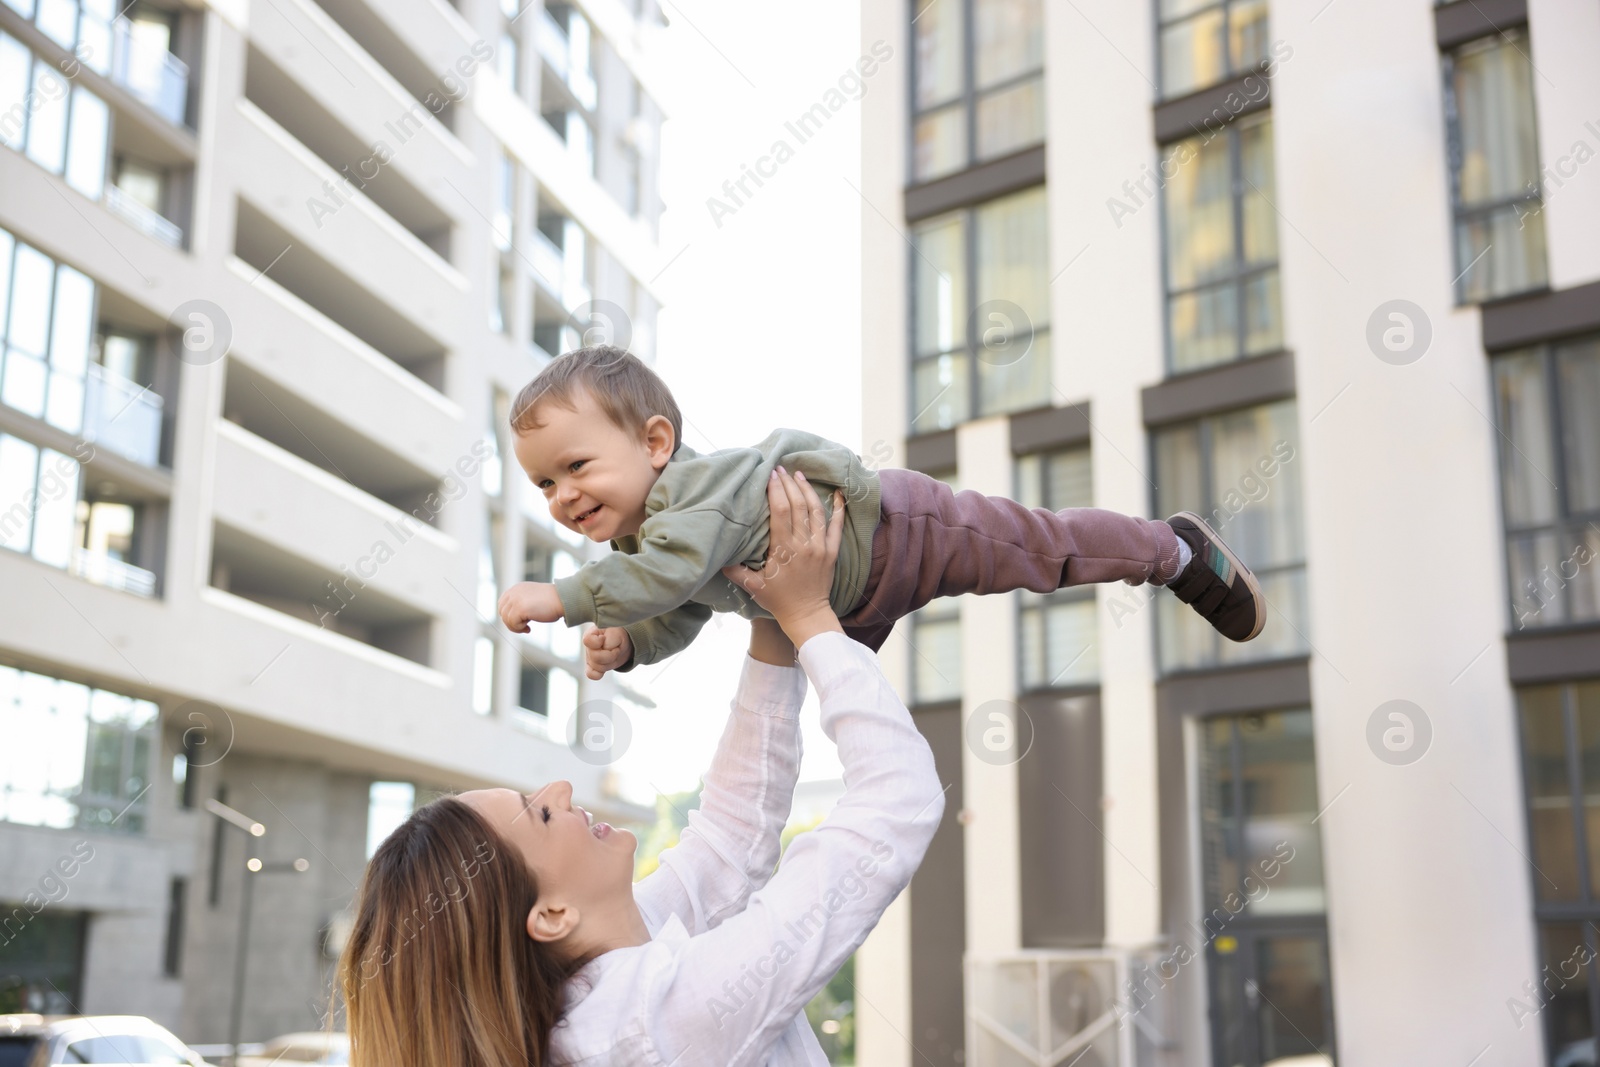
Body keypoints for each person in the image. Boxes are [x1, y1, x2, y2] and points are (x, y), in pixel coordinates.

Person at [340, 469, 945, 1065]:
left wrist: (772, 606)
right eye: (541, 815)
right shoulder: (653, 1025)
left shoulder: (607, 976)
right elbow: (896, 803)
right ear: (551, 915)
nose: (562, 789)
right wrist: (811, 618)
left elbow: (730, 840)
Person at [497, 346, 1265, 681]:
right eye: (542, 485)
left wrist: (561, 599)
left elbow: (665, 574)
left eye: (576, 466)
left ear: (656, 442)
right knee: (843, 716)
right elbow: (677, 607)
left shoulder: (692, 499)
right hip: (845, 605)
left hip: (906, 532)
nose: (562, 495)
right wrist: (631, 646)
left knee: (1043, 552)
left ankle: (1172, 550)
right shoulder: (651, 546)